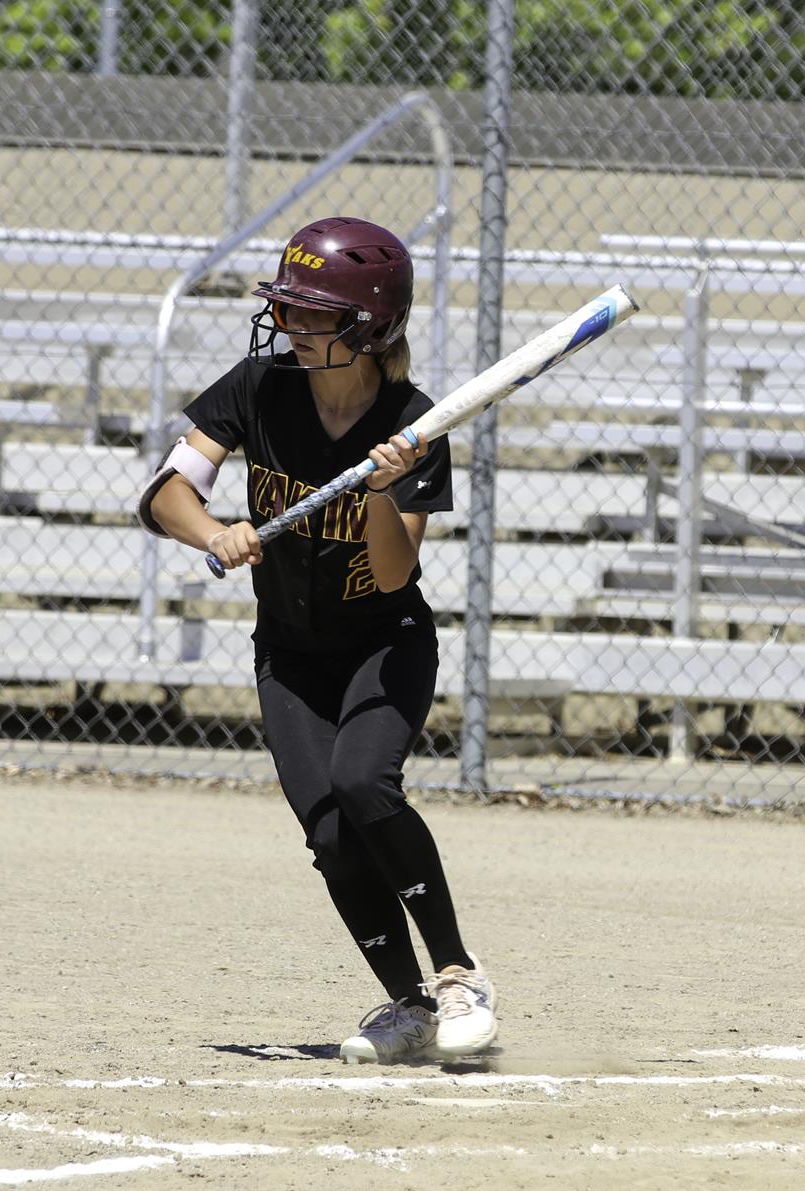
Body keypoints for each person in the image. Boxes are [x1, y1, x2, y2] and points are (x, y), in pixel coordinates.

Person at [136, 215, 496, 1065]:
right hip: (290, 653)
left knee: (362, 781)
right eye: (287, 309)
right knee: (330, 830)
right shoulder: (259, 388)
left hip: (383, 642)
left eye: (309, 312)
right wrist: (213, 530)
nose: (288, 324)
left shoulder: (414, 422)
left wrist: (383, 483)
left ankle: (457, 973)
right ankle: (406, 1005)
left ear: (365, 326)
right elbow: (163, 494)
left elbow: (395, 571)